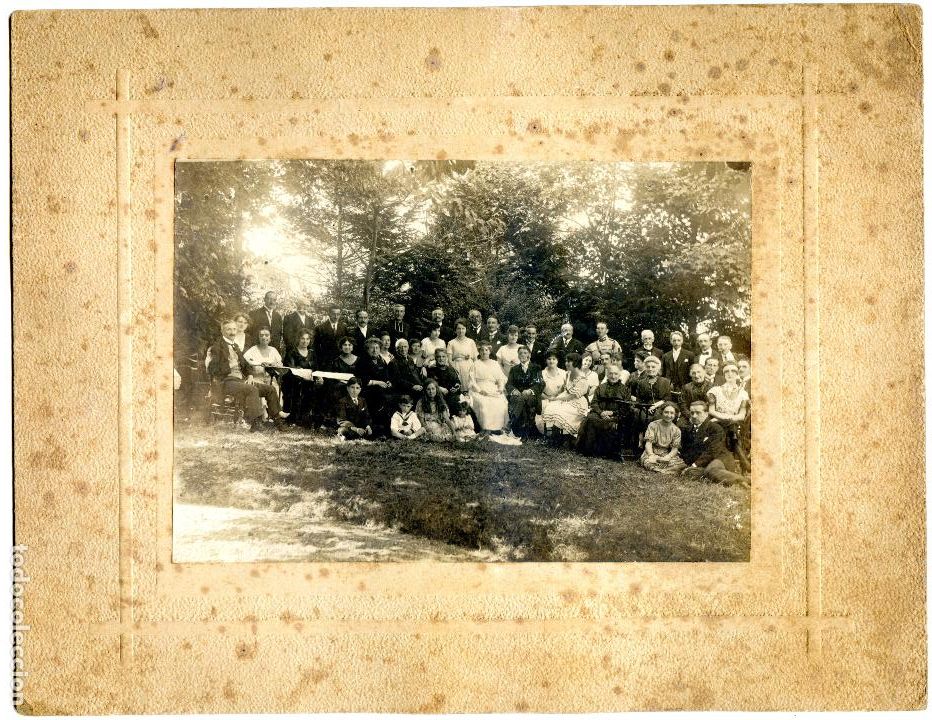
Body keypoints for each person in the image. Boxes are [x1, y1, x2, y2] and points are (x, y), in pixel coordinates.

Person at [207, 319, 284, 432]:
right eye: (229, 329)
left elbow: (246, 366)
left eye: (234, 329)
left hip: (240, 381)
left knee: (270, 389)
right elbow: (212, 369)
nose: (232, 332)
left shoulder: (236, 347)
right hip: (226, 382)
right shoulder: (216, 347)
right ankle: (256, 423)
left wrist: (250, 376)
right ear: (222, 330)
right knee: (252, 389)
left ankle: (277, 422)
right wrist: (228, 367)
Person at [679, 400, 745, 486]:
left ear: (706, 414)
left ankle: (743, 480)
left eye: (698, 413)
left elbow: (713, 451)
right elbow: (689, 450)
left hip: (720, 458)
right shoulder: (689, 429)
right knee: (690, 473)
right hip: (703, 463)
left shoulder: (715, 428)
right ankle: (707, 474)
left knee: (710, 470)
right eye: (692, 413)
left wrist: (694, 465)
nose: (694, 416)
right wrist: (689, 465)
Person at [576, 364, 631, 459]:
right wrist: (601, 412)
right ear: (607, 374)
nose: (613, 376)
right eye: (610, 374)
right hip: (599, 413)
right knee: (591, 418)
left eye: (615, 374)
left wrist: (612, 413)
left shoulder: (624, 389)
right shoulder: (601, 387)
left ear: (619, 375)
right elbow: (594, 403)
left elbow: (625, 407)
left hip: (616, 415)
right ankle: (590, 451)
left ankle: (606, 452)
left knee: (611, 423)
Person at [707, 362, 751, 474]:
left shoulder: (743, 393)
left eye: (733, 371)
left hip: (733, 423)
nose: (730, 374)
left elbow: (741, 415)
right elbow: (711, 410)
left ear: (737, 374)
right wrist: (724, 418)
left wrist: (727, 418)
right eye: (726, 371)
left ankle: (739, 462)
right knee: (730, 430)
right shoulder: (715, 391)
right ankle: (743, 461)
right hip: (717, 422)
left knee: (732, 428)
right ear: (723, 374)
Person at [536, 352, 590, 439]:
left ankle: (562, 437)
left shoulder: (582, 378)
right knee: (550, 408)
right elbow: (565, 390)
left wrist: (556, 399)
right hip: (565, 399)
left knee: (559, 412)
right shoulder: (568, 374)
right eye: (566, 361)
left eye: (569, 361)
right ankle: (549, 436)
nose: (566, 363)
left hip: (577, 403)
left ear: (576, 362)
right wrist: (556, 398)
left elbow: (572, 396)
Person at [355, 337, 395, 435]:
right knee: (378, 398)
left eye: (377, 348)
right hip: (367, 390)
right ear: (367, 349)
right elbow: (363, 380)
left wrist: (388, 382)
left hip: (381, 389)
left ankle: (388, 428)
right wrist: (378, 383)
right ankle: (374, 429)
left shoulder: (381, 360)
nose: (375, 350)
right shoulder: (362, 361)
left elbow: (386, 376)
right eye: (372, 348)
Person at [468, 342, 509, 432]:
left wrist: (501, 388)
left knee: (501, 403)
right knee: (484, 403)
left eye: (486, 350)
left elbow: (500, 378)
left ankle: (500, 428)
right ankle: (486, 428)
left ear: (489, 351)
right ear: (479, 352)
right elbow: (472, 381)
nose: (484, 352)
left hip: (493, 389)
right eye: (482, 350)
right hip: (479, 389)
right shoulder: (475, 364)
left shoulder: (495, 364)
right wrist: (479, 390)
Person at [506, 345, 543, 438]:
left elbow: (541, 384)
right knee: (520, 399)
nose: (523, 355)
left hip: (532, 397)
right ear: (518, 356)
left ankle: (511, 423)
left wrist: (530, 390)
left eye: (525, 353)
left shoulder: (536, 368)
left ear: (529, 355)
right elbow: (508, 384)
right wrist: (514, 390)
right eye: (520, 353)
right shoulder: (514, 369)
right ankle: (522, 430)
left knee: (523, 398)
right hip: (518, 396)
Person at [640, 402, 687, 474]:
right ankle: (663, 470)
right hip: (652, 451)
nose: (669, 415)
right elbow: (648, 443)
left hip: (666, 453)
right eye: (666, 412)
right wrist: (651, 455)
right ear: (661, 412)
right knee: (649, 462)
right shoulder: (653, 425)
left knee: (681, 465)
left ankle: (662, 469)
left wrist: (667, 457)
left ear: (675, 415)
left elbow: (675, 449)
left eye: (672, 413)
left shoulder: (676, 430)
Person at [282, 330, 316, 425]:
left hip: (309, 380)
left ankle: (305, 417)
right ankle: (293, 417)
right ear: (298, 339)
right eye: (302, 338)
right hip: (294, 380)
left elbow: (315, 368)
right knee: (296, 387)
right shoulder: (292, 352)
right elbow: (291, 367)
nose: (305, 341)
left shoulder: (312, 353)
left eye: (307, 339)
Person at [427, 349, 464, 413]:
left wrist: (456, 387)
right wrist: (440, 388)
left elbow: (457, 381)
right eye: (439, 357)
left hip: (452, 394)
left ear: (446, 358)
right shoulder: (432, 370)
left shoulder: (450, 369)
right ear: (435, 358)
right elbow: (430, 383)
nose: (441, 359)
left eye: (443, 356)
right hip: (439, 395)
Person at [447, 319, 478, 388]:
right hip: (456, 367)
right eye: (458, 329)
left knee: (470, 388)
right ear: (455, 330)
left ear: (466, 329)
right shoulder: (451, 343)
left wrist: (474, 369)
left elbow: (475, 359)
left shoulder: (471, 342)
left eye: (463, 328)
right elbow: (449, 360)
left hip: (469, 367)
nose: (461, 331)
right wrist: (455, 370)